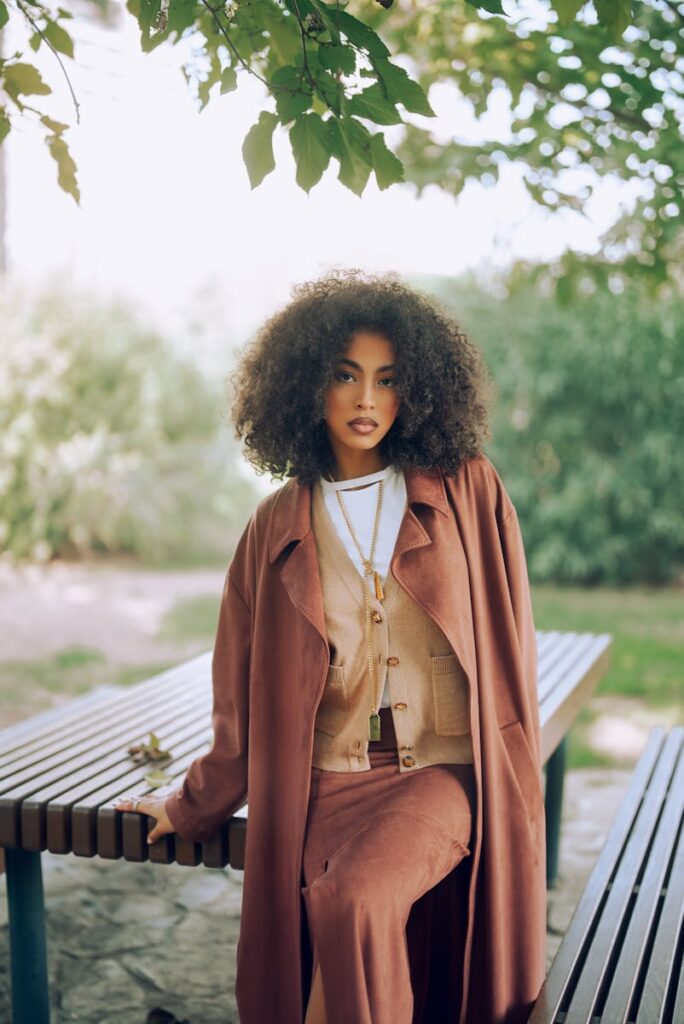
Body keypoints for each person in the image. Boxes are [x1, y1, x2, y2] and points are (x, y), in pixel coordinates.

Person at [115, 269, 546, 1024]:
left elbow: (512, 647)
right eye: (346, 376)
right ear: (307, 386)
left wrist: (513, 777)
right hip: (323, 786)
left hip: (436, 776)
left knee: (352, 902)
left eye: (388, 379)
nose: (366, 399)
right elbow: (239, 700)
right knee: (332, 946)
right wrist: (191, 805)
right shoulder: (273, 527)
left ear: (416, 390)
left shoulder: (467, 489)